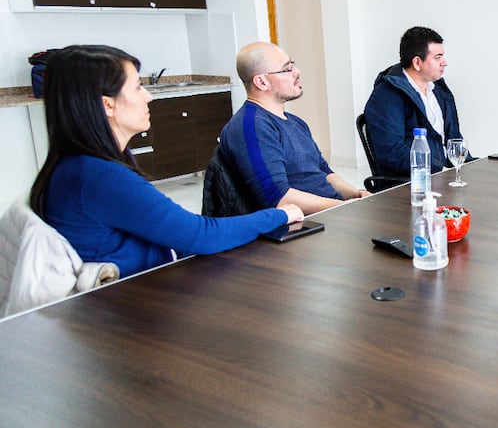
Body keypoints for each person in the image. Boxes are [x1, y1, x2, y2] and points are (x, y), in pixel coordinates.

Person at [28, 45, 304, 278]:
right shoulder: (99, 176)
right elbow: (200, 236)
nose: (148, 96)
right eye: (137, 87)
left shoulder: (74, 165)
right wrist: (280, 214)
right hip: (137, 299)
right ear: (107, 105)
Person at [220, 42, 370, 215]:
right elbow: (279, 197)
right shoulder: (251, 127)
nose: (297, 72)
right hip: (304, 224)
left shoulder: (295, 122)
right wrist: (341, 207)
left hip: (330, 212)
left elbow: (323, 171)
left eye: (293, 65)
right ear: (261, 81)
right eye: (287, 69)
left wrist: (357, 194)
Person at [364, 26, 468, 177]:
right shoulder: (387, 96)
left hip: (445, 175)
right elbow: (391, 153)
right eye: (437, 57)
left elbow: (455, 139)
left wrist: (469, 166)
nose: (444, 62)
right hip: (414, 183)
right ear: (417, 63)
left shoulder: (438, 88)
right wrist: (439, 166)